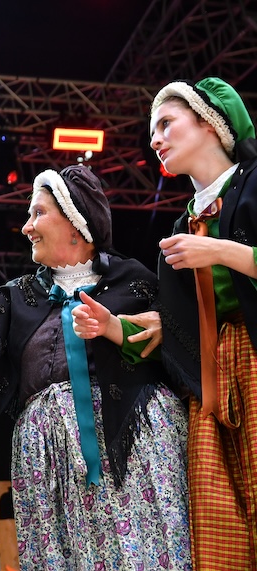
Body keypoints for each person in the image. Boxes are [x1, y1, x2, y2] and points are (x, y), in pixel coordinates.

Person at [0, 164, 191, 570]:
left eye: (38, 213)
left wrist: (150, 326)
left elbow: (180, 344)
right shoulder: (19, 295)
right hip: (49, 454)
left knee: (142, 551)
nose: (27, 227)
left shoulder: (136, 281)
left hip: (135, 446)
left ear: (77, 224)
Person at [142, 77, 257, 569]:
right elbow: (191, 315)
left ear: (210, 123)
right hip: (209, 375)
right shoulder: (183, 225)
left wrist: (220, 251)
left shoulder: (254, 185)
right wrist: (154, 324)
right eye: (153, 131)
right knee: (218, 519)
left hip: (253, 356)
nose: (155, 140)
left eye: (166, 123)